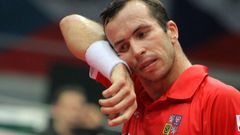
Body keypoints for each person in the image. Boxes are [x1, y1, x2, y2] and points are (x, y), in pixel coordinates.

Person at [59, 0, 240, 134]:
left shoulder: (221, 99)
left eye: (142, 34)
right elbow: (71, 24)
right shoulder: (130, 87)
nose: (137, 51)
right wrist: (116, 68)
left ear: (171, 31)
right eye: (123, 47)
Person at [38, 85, 120, 135]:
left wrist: (100, 127)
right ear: (55, 109)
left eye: (79, 107)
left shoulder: (93, 131)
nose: (76, 112)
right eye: (70, 107)